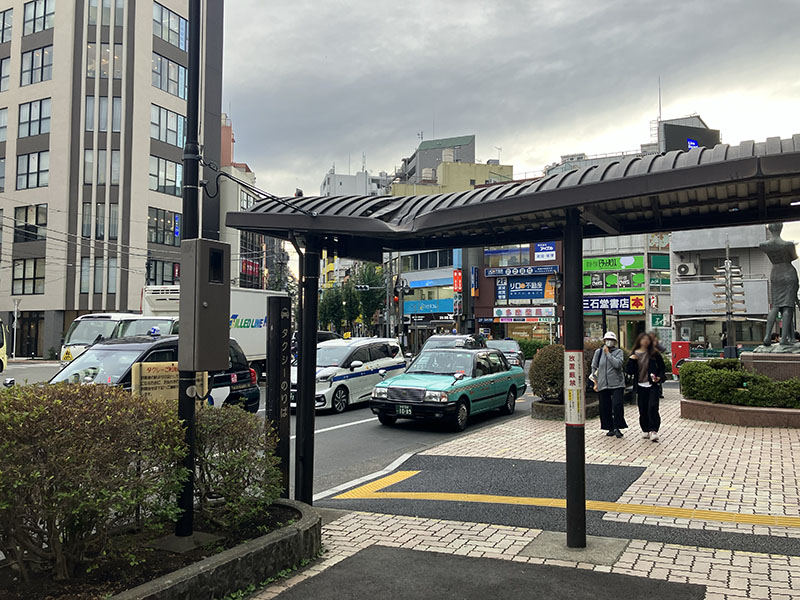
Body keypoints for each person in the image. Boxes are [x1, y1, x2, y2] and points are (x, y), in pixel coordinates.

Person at [627, 333, 666, 442]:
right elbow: (629, 371)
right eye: (643, 339)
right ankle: (645, 429)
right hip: (640, 386)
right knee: (643, 408)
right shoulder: (634, 354)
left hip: (652, 385)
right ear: (639, 341)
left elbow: (662, 368)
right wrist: (631, 360)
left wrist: (659, 377)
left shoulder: (654, 354)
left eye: (647, 339)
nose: (645, 341)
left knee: (653, 407)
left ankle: (653, 430)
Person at [591, 332, 627, 438]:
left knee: (617, 405)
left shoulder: (618, 352)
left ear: (615, 342)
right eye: (607, 339)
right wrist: (595, 382)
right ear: (604, 341)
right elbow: (594, 367)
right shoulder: (598, 352)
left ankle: (617, 427)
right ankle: (610, 428)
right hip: (603, 383)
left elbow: (617, 364)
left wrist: (608, 354)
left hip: (617, 384)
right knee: (605, 407)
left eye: (611, 340)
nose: (609, 342)